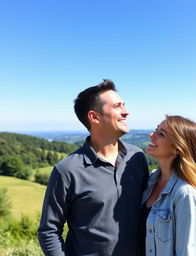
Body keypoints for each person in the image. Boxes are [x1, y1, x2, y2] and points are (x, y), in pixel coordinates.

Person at [38, 79, 149, 256]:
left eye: (124, 105)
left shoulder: (137, 158)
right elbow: (48, 231)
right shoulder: (67, 170)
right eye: (117, 106)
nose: (126, 112)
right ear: (94, 117)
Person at [139, 115, 196, 256]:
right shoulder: (151, 180)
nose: (151, 135)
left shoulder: (187, 195)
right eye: (156, 130)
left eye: (161, 134)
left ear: (178, 148)